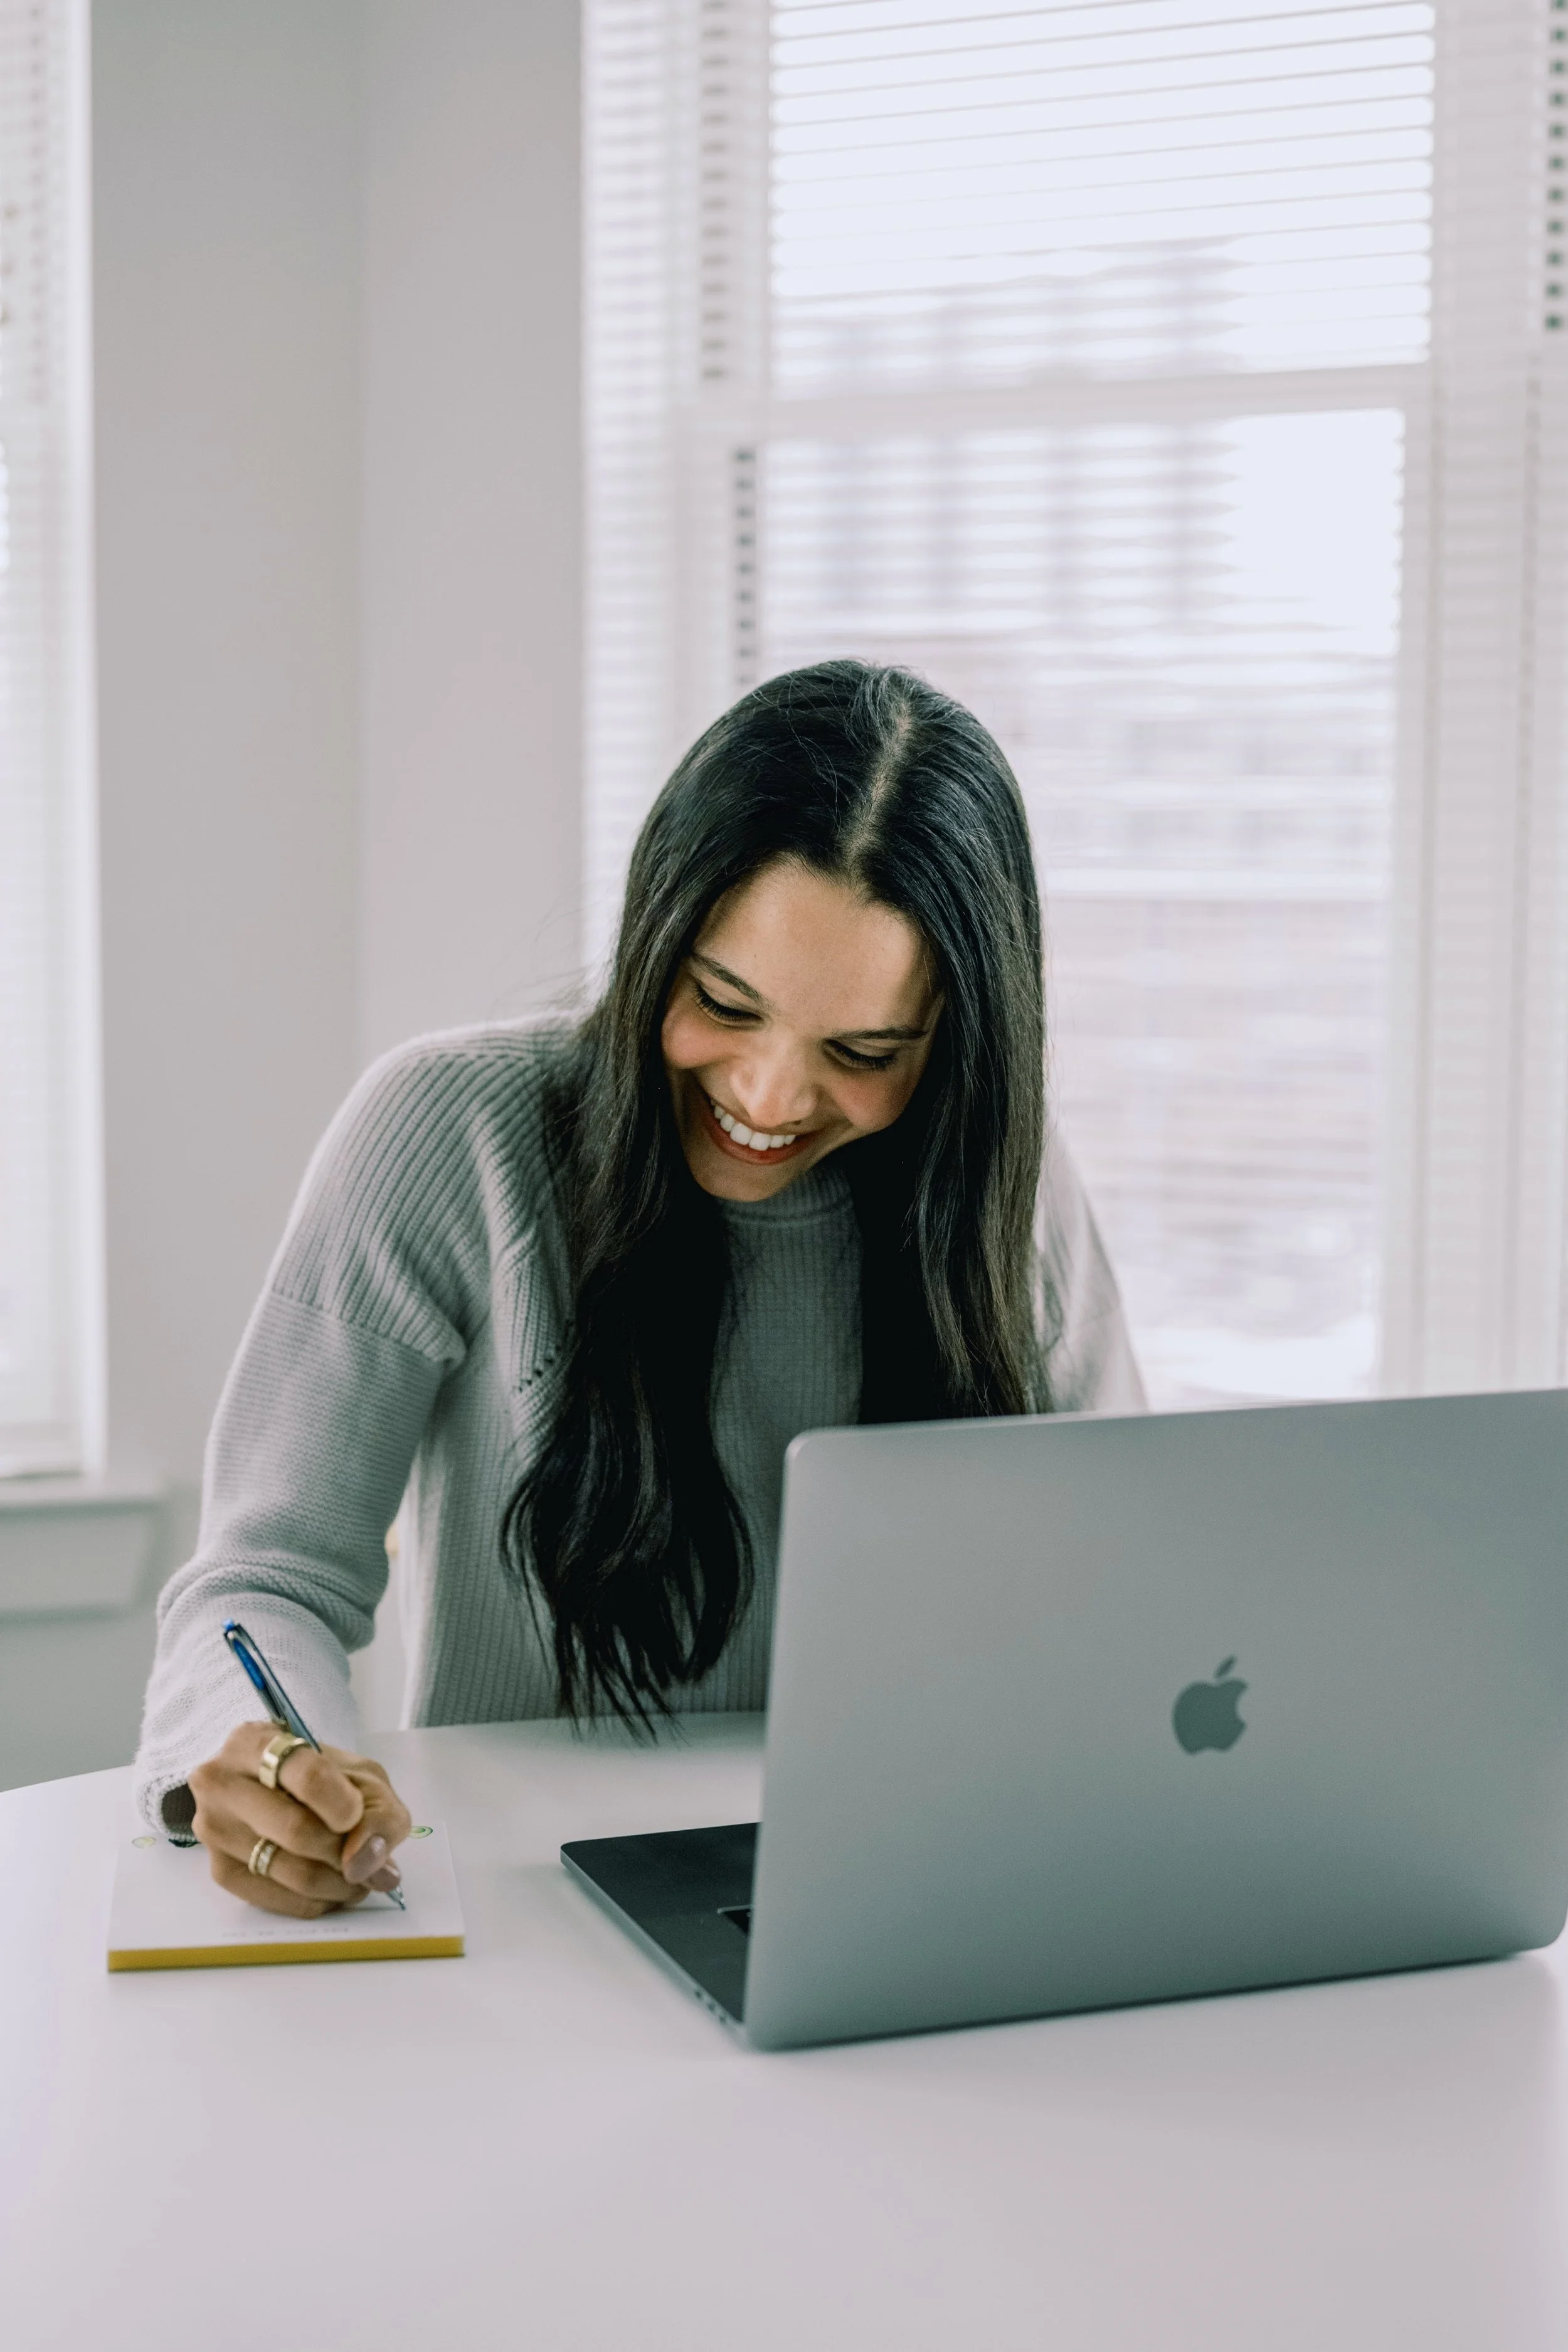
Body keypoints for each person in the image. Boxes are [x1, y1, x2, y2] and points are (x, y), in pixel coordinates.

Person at [133, 660, 1146, 1916]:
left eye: (863, 1051)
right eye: (724, 1004)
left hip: (903, 1894)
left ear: (956, 1044)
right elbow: (265, 1580)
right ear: (654, 936)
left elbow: (1123, 1588)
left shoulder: (1002, 1187)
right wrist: (260, 1748)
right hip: (522, 1915)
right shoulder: (452, 1132)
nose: (769, 1100)